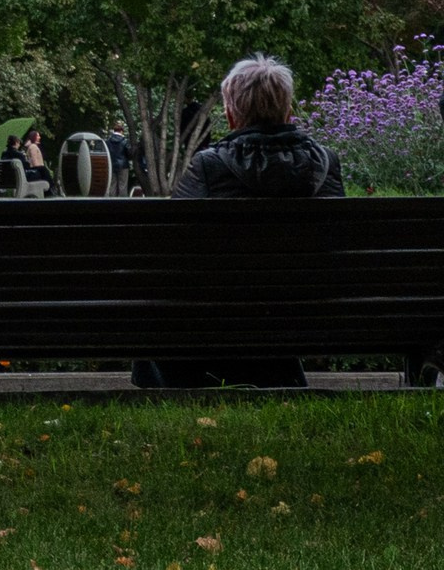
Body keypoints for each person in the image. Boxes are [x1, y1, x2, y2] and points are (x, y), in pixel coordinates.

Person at [135, 55, 341, 390]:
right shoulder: (325, 163)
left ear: (231, 115)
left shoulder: (209, 166)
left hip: (223, 311)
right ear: (289, 113)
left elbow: (169, 248)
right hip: (307, 309)